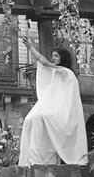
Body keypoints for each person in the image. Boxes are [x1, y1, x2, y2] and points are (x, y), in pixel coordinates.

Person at [18, 36, 88, 166]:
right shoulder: (55, 72)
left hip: (63, 112)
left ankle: (41, 159)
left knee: (40, 117)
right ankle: (33, 158)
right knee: (30, 119)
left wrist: (31, 48)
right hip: (52, 108)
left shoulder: (66, 72)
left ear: (63, 58)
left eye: (56, 56)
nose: (53, 58)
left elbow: (44, 62)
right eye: (52, 56)